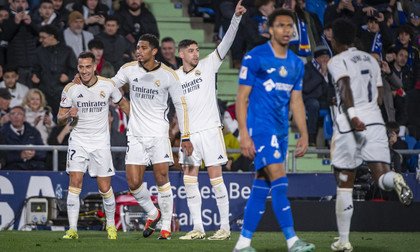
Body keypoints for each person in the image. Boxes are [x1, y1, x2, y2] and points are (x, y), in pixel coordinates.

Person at [327, 18, 413, 252]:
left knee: (345, 182)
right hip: (376, 123)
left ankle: (344, 241)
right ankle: (395, 178)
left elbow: (344, 86)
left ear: (336, 41)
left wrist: (354, 115)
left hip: (351, 125)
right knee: (381, 178)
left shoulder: (337, 61)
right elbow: (377, 98)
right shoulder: (372, 60)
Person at [233, 9, 315, 252]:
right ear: (270, 29)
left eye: (290, 26)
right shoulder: (255, 57)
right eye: (280, 25)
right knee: (280, 180)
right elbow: (241, 98)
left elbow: (297, 101)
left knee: (263, 184)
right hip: (260, 128)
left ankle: (243, 243)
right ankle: (292, 241)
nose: (286, 30)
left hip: (280, 132)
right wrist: (244, 134)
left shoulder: (295, 63)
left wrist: (304, 132)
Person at [175, 0, 246, 241]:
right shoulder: (173, 77)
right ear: (181, 54)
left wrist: (235, 18)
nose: (196, 53)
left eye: (197, 50)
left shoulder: (207, 65)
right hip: (189, 136)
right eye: (191, 51)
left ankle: (224, 228)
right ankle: (197, 228)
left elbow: (226, 43)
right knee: (189, 180)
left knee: (217, 179)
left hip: (210, 131)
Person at [111, 33, 192, 240]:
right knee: (133, 182)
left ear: (154, 51)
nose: (139, 51)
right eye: (138, 47)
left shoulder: (168, 74)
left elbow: (181, 106)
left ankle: (166, 225)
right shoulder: (129, 69)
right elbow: (109, 85)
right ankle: (153, 213)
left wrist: (185, 136)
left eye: (143, 48)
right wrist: (91, 85)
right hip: (136, 134)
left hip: (158, 134)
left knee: (161, 177)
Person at [57, 51, 130, 240]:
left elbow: (123, 105)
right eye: (81, 67)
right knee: (75, 183)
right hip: (78, 141)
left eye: (88, 67)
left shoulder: (108, 85)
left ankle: (111, 227)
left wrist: (139, 122)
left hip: (100, 143)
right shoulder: (71, 88)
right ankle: (72, 229)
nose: (84, 70)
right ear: (78, 68)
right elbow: (59, 118)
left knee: (105, 187)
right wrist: (68, 115)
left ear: (95, 66)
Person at [32, 25, 78, 116]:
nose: (40, 40)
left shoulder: (67, 50)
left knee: (62, 121)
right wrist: (35, 77)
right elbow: (35, 69)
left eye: (43, 37)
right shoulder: (38, 51)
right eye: (40, 37)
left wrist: (68, 77)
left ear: (52, 37)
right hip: (44, 92)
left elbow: (76, 71)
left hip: (63, 93)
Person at [0, 105, 46, 170]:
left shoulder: (33, 131)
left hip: (34, 167)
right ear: (9, 117)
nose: (16, 116)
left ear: (24, 118)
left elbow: (43, 152)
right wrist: (19, 156)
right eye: (13, 114)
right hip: (12, 168)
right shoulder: (2, 133)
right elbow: (2, 156)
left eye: (19, 114)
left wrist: (34, 154)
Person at [302, 45, 331, 146]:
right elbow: (306, 88)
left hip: (324, 99)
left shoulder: (330, 69)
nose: (325, 60)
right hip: (309, 98)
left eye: (327, 57)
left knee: (336, 106)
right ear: (316, 58)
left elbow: (329, 88)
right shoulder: (307, 68)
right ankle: (311, 137)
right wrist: (322, 74)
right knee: (314, 105)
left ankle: (331, 139)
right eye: (323, 57)